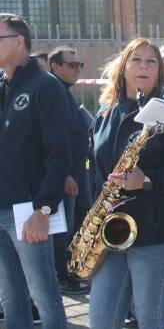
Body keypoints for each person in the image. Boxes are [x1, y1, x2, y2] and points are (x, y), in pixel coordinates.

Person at [88, 37, 164, 329]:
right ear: (123, 66)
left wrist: (148, 180)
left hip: (157, 233)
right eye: (136, 59)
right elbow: (93, 169)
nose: (143, 66)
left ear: (159, 70)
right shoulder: (105, 112)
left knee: (152, 320)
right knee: (102, 320)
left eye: (151, 61)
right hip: (110, 230)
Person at [0, 13, 70, 328]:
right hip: (1, 207)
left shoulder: (45, 85)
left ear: (19, 41)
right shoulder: (2, 85)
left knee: (44, 295)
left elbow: (60, 153)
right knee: (11, 297)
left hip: (29, 210)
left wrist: (43, 209)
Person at [47, 46, 91, 296]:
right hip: (65, 177)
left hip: (75, 173)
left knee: (71, 226)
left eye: (80, 65)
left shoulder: (64, 92)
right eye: (72, 65)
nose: (77, 70)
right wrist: (65, 175)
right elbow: (55, 138)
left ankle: (67, 274)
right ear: (55, 66)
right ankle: (62, 279)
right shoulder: (54, 92)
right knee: (61, 231)